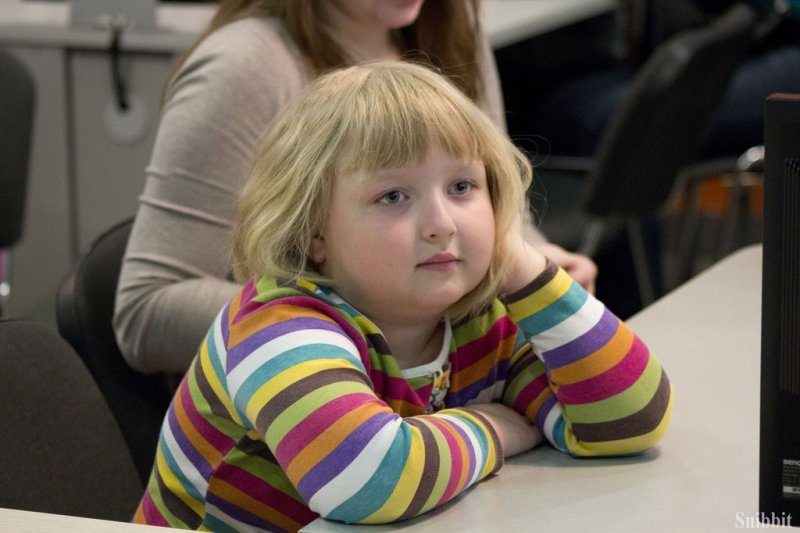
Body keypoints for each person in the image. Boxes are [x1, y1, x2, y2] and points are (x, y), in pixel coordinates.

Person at [133, 62, 673, 532]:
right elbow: (369, 481)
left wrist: (522, 265)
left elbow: (630, 421)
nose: (441, 224)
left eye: (463, 188)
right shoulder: (279, 326)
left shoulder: (479, 320)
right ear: (314, 233)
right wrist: (494, 427)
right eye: (394, 196)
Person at [114, 0, 597, 375]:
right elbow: (145, 311)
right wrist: (357, 315)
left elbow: (498, 208)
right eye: (392, 196)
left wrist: (540, 257)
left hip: (439, 388)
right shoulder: (244, 65)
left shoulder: (447, 32)